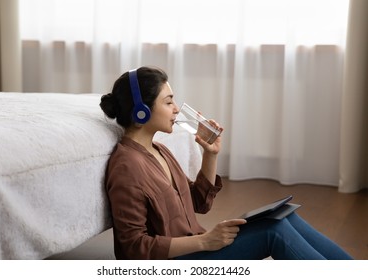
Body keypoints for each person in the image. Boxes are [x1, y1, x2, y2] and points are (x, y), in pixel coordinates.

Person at [99, 66, 353, 260]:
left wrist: (210, 154)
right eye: (168, 102)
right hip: (179, 261)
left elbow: (198, 203)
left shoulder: (159, 150)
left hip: (197, 246)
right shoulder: (126, 167)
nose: (176, 109)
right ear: (141, 111)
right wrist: (205, 242)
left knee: (285, 218)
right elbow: (132, 249)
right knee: (274, 232)